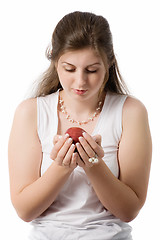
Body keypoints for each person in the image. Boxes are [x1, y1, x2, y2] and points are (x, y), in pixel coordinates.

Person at [8, 11, 152, 240]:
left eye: (92, 70)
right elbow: (25, 210)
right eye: (70, 69)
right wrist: (61, 167)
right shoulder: (30, 112)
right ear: (55, 61)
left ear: (109, 64)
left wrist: (94, 166)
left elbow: (129, 211)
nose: (81, 81)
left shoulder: (131, 112)